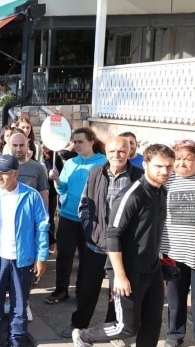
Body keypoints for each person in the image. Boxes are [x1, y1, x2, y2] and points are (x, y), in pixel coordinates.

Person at [72, 144, 175, 347]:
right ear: (145, 164)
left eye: (169, 166)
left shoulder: (161, 192)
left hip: (152, 269)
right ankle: (84, 336)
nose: (165, 171)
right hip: (128, 270)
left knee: (153, 323)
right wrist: (119, 275)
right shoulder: (132, 195)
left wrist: (162, 268)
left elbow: (154, 233)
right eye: (159, 166)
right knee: (126, 327)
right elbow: (113, 234)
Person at [60, 137, 143, 340]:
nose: (117, 155)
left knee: (117, 293)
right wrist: (91, 231)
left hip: (124, 248)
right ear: (106, 152)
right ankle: (78, 324)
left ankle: (111, 331)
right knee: (88, 289)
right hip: (95, 245)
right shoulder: (96, 173)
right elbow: (84, 206)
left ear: (130, 151)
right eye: (113, 151)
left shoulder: (139, 177)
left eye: (122, 151)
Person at [0, 154, 50, 347]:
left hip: (23, 260)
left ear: (16, 174)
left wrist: (41, 257)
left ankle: (15, 342)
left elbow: (42, 227)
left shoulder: (31, 196)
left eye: (4, 173)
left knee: (19, 305)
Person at [46, 127, 107, 304]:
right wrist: (56, 179)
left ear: (91, 142)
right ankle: (61, 290)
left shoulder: (103, 162)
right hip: (68, 216)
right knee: (64, 255)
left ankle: (82, 290)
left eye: (80, 141)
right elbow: (62, 189)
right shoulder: (71, 163)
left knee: (87, 258)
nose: (77, 145)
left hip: (91, 219)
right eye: (75, 142)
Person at [160, 141, 195, 347]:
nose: (182, 163)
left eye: (188, 159)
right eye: (179, 158)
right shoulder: (166, 181)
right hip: (173, 252)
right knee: (174, 298)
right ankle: (175, 334)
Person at [8, 132, 49, 206]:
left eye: (21, 145)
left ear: (27, 146)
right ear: (9, 146)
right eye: (15, 145)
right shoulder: (3, 167)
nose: (18, 149)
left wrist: (44, 214)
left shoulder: (38, 167)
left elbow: (43, 194)